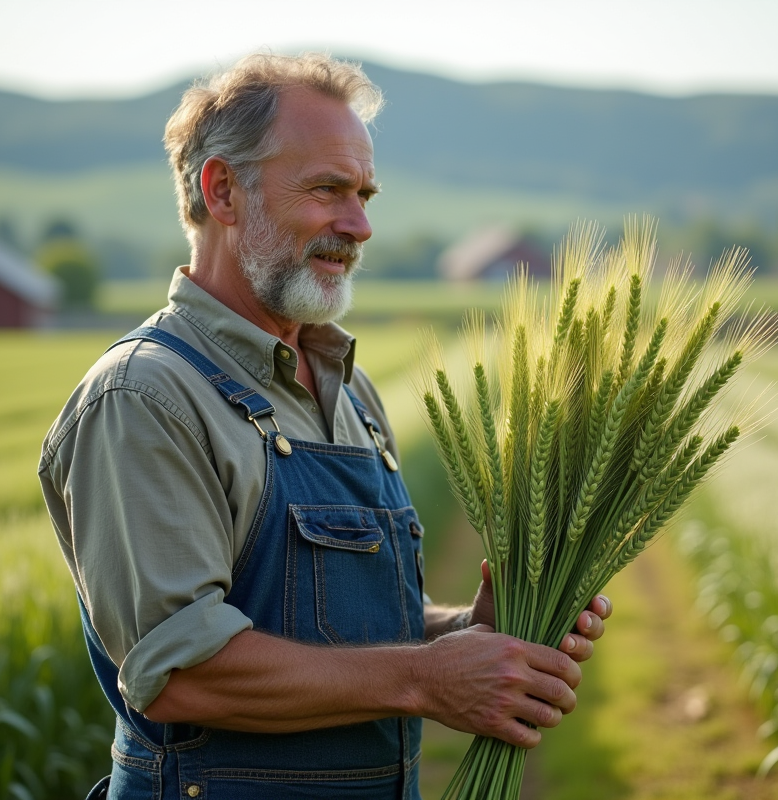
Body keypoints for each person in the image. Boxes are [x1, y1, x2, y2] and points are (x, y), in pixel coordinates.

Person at [39, 52, 612, 800]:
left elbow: (341, 637)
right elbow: (179, 672)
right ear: (223, 192)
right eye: (328, 190)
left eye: (366, 194)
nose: (360, 225)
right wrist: (424, 679)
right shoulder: (146, 397)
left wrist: (468, 633)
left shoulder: (349, 391)